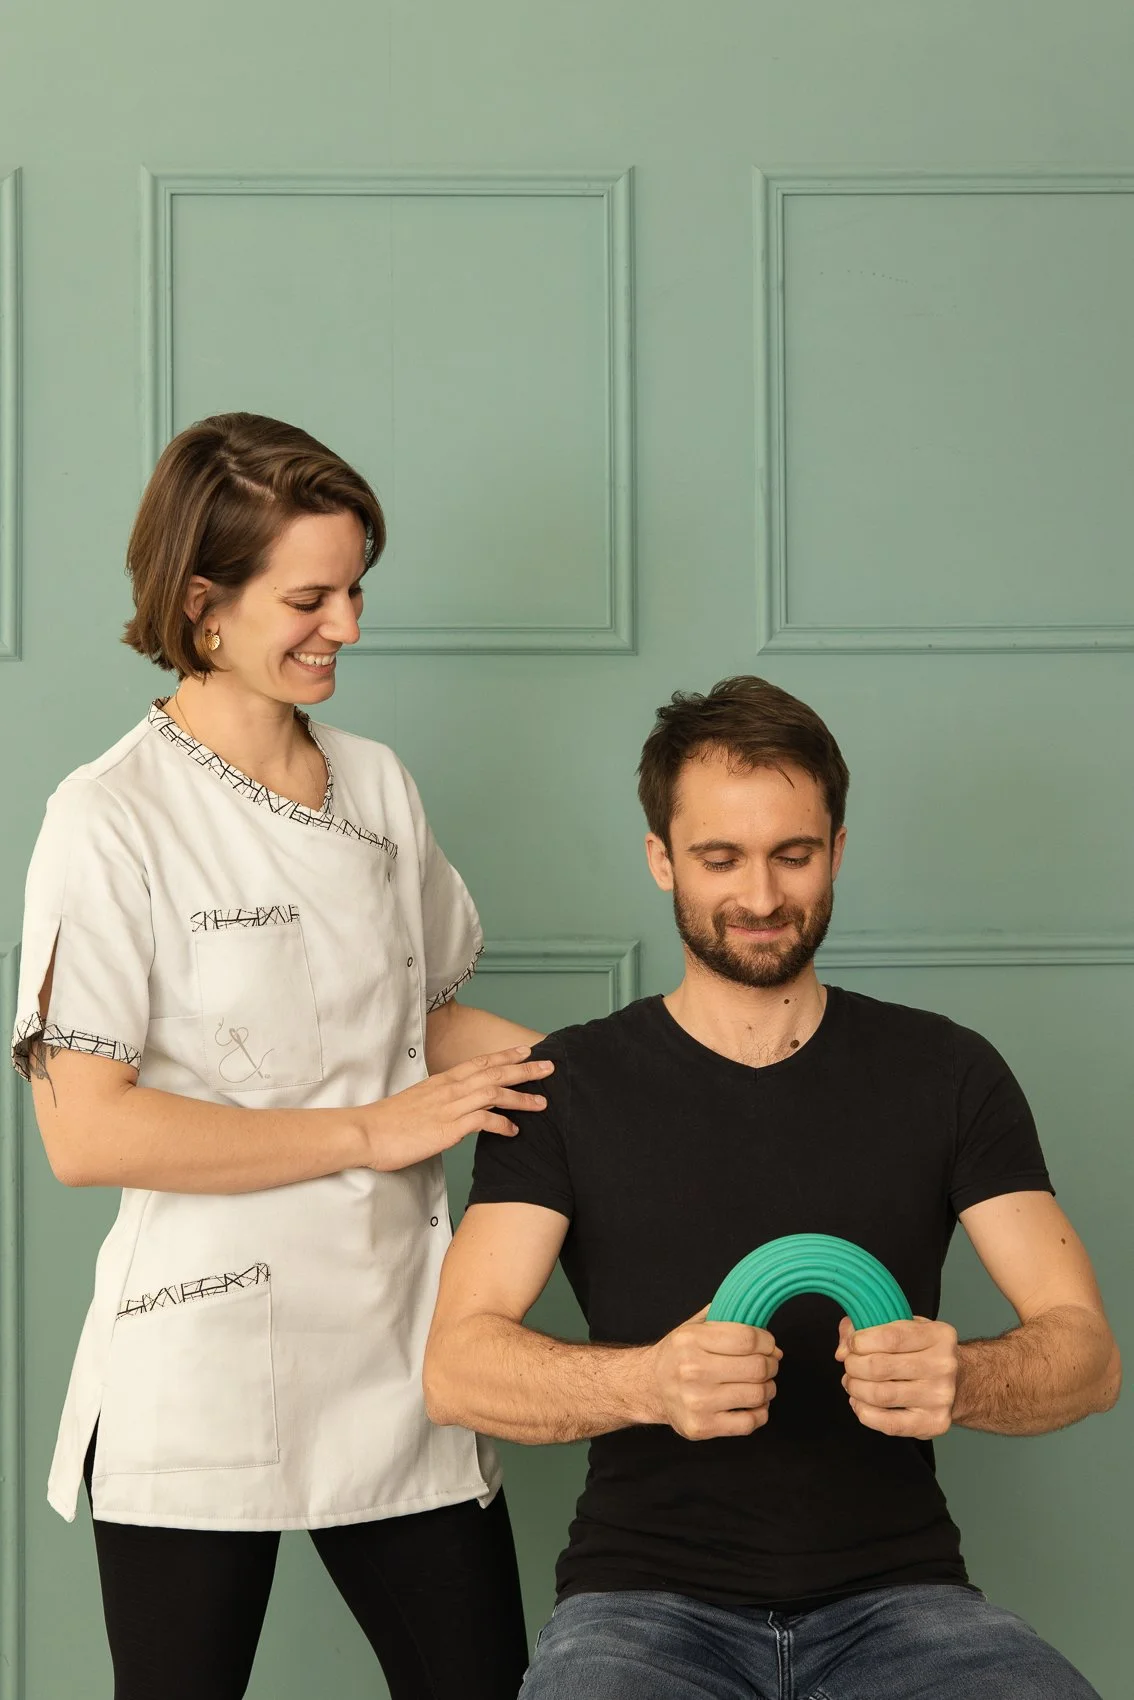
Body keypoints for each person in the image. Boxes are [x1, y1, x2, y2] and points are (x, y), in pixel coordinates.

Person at [424, 674, 1122, 1700]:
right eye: (720, 857)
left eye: (793, 853)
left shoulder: (948, 1071)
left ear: (836, 850)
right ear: (662, 857)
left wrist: (965, 1377)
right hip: (641, 1612)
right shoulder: (568, 1087)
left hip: (905, 1605)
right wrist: (648, 1382)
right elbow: (456, 1365)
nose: (760, 895)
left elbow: (1088, 1352)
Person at [12, 412, 556, 1700]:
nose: (350, 625)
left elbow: (417, 1024)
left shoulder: (375, 785)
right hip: (201, 1357)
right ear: (203, 601)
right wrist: (372, 1128)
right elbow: (86, 1129)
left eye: (357, 585)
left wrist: (652, 1078)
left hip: (398, 1342)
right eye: (309, 596)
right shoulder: (109, 818)